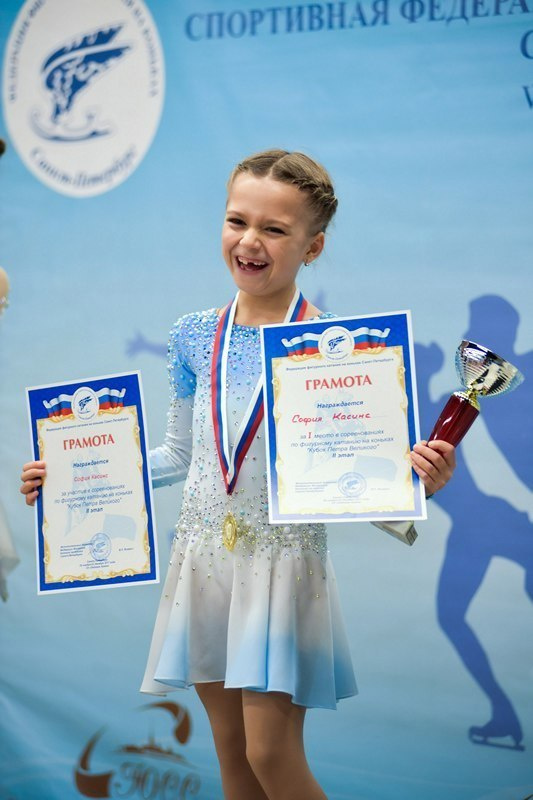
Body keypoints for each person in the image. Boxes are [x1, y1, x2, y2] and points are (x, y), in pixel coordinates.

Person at [20, 149, 456, 800]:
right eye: (236, 221)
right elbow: (180, 454)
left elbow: (345, 475)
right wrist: (78, 478)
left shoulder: (330, 349)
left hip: (279, 570)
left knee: (271, 754)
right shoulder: (195, 334)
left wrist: (414, 482)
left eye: (275, 230)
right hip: (203, 562)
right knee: (231, 758)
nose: (249, 242)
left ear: (312, 247)